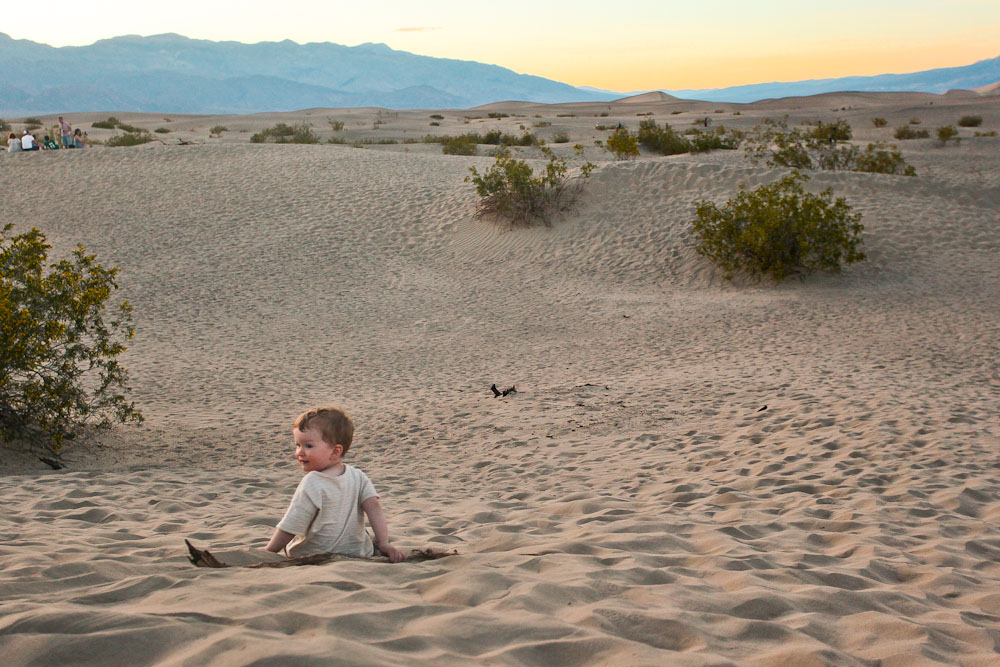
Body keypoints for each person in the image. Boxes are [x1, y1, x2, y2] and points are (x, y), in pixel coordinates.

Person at [263, 406, 406, 562]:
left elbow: (293, 523)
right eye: (298, 445)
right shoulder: (358, 476)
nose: (300, 452)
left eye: (308, 446)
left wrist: (270, 550)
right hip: (357, 552)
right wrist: (384, 543)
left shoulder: (312, 482)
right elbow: (374, 509)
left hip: (314, 554)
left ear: (335, 451)